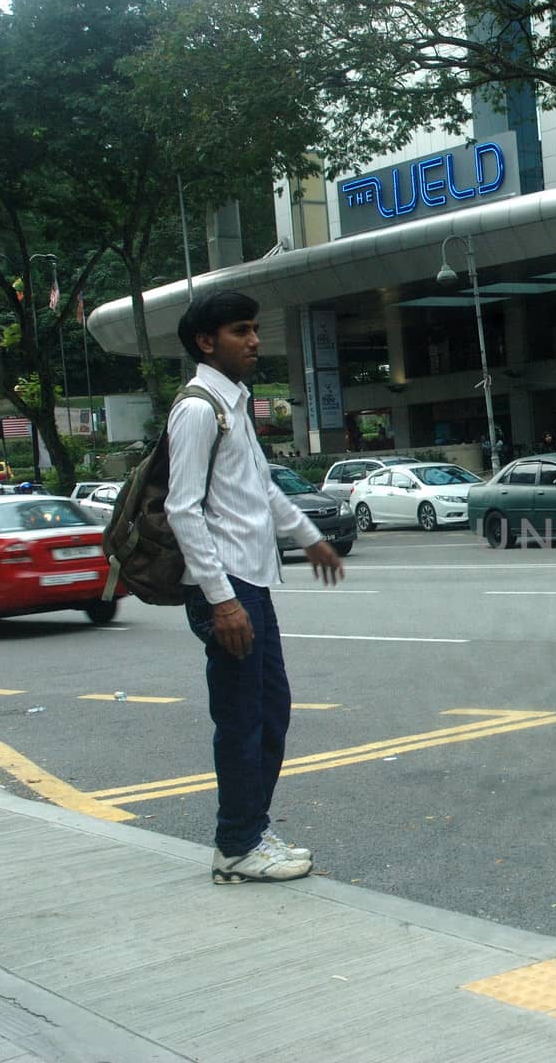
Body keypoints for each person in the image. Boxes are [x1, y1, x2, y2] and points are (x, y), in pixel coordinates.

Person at [166, 289, 344, 885]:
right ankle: (237, 845)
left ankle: (250, 829)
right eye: (241, 330)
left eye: (255, 329)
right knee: (243, 718)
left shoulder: (232, 406)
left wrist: (308, 536)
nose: (255, 340)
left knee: (270, 711)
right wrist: (222, 600)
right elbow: (183, 510)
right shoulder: (197, 409)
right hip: (228, 587)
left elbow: (262, 490)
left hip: (251, 582)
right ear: (206, 341)